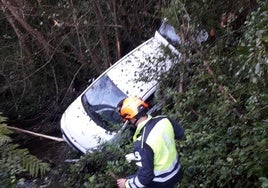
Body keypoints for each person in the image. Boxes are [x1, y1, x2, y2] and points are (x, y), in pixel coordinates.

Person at [116, 97, 184, 188]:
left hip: (163, 181)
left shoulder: (142, 143)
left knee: (127, 180)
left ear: (131, 118)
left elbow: (145, 178)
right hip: (177, 170)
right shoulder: (164, 119)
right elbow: (180, 135)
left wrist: (126, 184)